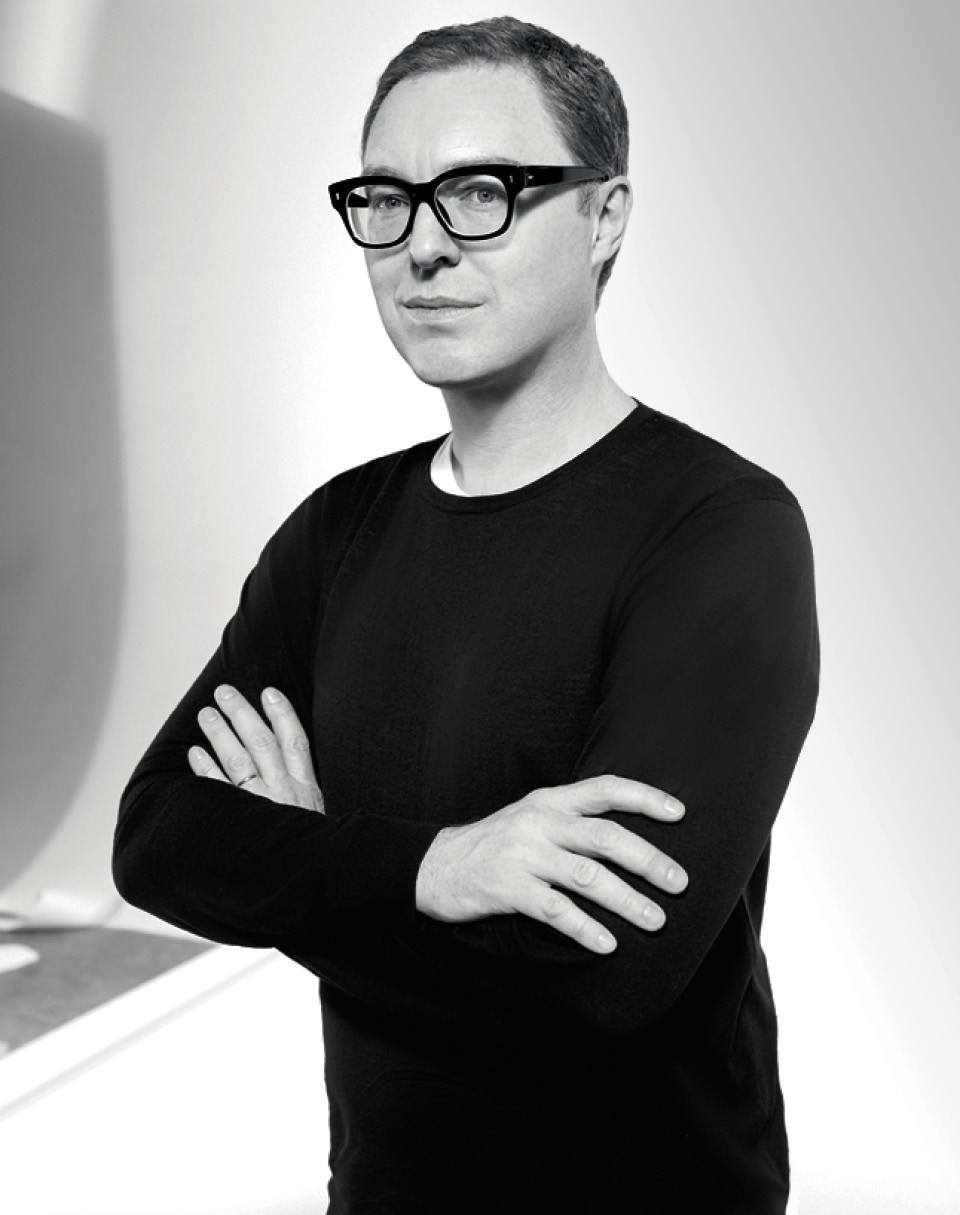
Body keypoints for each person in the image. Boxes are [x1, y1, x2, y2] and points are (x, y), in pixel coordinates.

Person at [113, 16, 820, 1215]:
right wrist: (443, 867)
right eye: (386, 200)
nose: (424, 245)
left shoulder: (720, 532)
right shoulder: (336, 534)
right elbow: (157, 840)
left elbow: (601, 983)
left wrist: (310, 859)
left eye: (482, 192)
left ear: (605, 216)